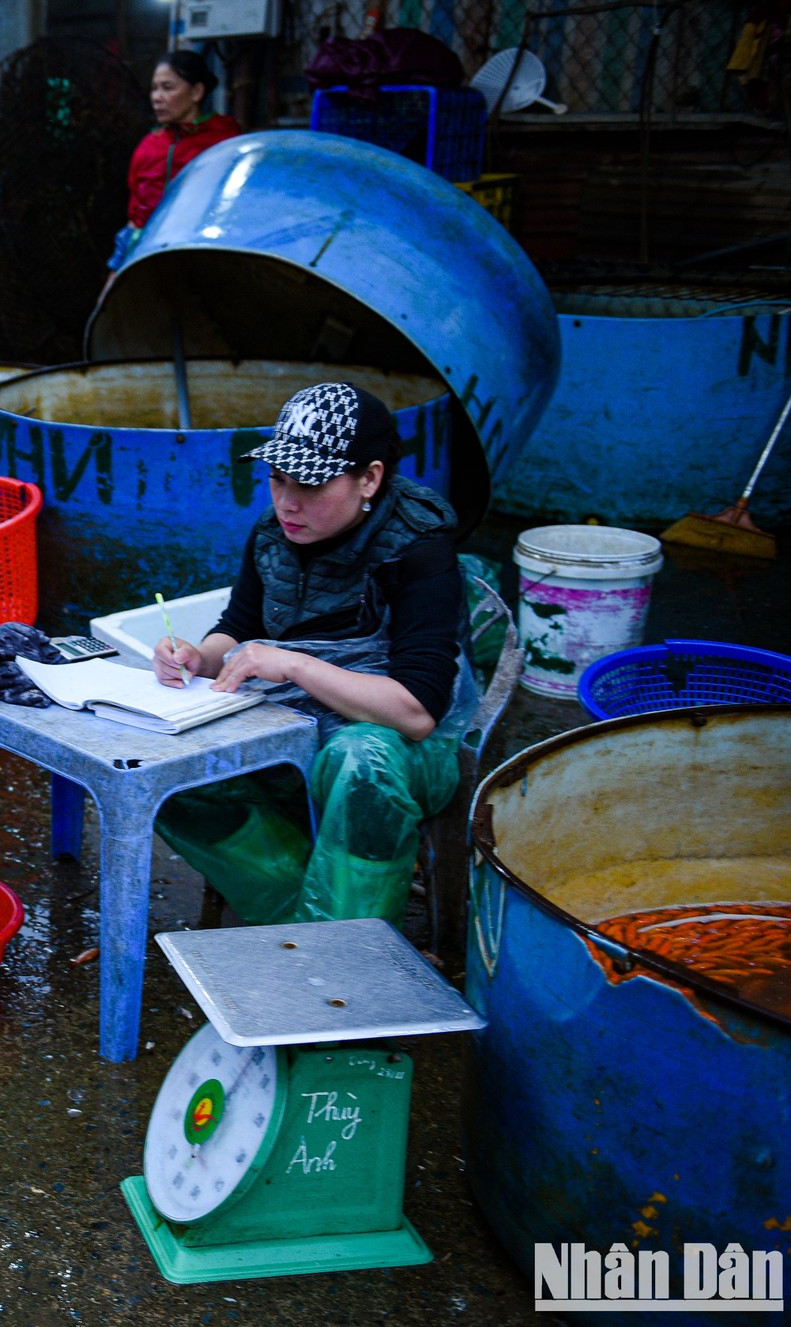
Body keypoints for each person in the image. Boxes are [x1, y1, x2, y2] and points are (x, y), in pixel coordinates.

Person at [150, 382, 471, 927]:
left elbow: (416, 712)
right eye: (276, 479)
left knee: (361, 761)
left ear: (369, 477)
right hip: (293, 721)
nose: (286, 502)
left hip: (404, 746)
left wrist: (294, 664)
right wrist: (198, 657)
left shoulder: (418, 548)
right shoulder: (274, 533)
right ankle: (299, 922)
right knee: (159, 770)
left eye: (310, 483)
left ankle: (347, 956)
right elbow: (240, 626)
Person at [108, 50, 242, 271]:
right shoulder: (150, 146)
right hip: (146, 252)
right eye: (154, 88)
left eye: (168, 88)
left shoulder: (224, 141)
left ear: (196, 92)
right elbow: (136, 210)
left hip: (203, 253)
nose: (156, 97)